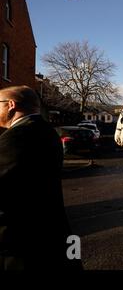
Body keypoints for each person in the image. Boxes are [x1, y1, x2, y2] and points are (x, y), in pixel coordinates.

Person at [0, 86, 81, 270]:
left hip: (22, 245)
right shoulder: (47, 131)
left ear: (10, 105)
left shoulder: (16, 137)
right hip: (52, 234)